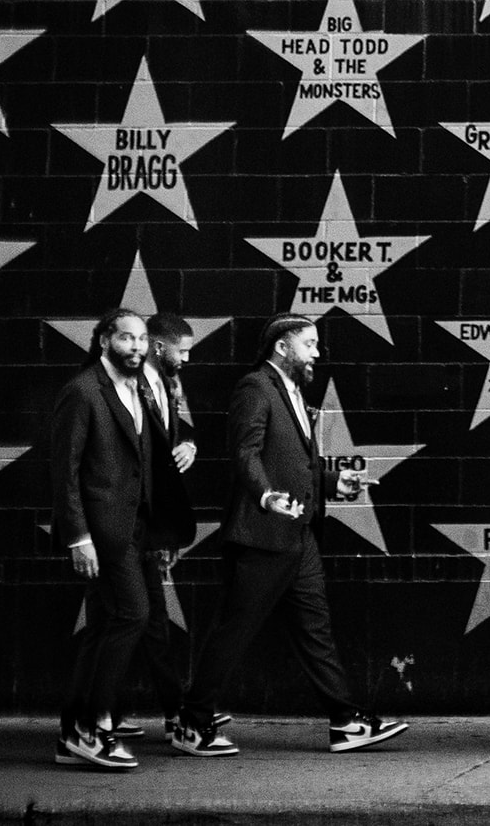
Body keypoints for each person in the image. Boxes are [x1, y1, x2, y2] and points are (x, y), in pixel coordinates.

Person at [174, 313, 406, 757]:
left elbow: (296, 463)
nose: (317, 352)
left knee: (315, 630)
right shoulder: (256, 387)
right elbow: (245, 453)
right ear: (282, 346)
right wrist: (265, 498)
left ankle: (345, 723)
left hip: (299, 537)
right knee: (234, 631)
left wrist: (333, 482)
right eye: (310, 344)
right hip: (263, 534)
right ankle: (193, 721)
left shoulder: (293, 391)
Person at [50, 308, 191, 770]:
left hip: (137, 529)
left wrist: (160, 532)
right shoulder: (84, 390)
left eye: (140, 339)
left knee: (104, 628)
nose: (134, 346)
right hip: (103, 532)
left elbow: (148, 465)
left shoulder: (138, 389)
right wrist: (78, 538)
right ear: (104, 339)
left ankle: (74, 732)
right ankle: (93, 727)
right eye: (125, 338)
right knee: (133, 614)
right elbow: (65, 471)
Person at [104, 313, 207, 742]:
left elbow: (164, 448)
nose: (186, 358)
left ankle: (168, 711)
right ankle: (100, 717)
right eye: (182, 350)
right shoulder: (125, 386)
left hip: (149, 527)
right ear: (162, 348)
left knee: (151, 621)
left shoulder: (165, 385)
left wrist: (189, 444)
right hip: (121, 525)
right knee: (126, 619)